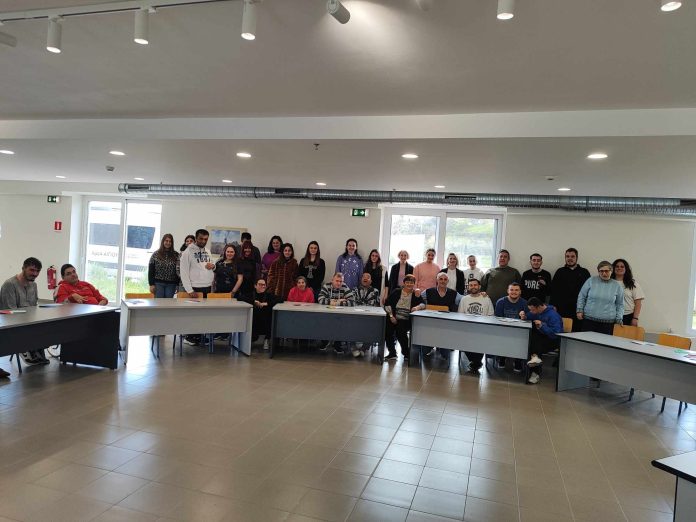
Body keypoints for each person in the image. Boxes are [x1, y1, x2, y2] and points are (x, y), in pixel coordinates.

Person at [0, 257, 48, 367]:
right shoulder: (10, 284)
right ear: (23, 268)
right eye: (32, 270)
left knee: (49, 328)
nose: (35, 274)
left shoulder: (33, 285)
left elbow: (33, 307)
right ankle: (26, 349)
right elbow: (9, 312)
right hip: (14, 324)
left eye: (37, 271)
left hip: (29, 321)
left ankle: (36, 350)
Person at [180, 228, 215, 345]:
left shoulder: (208, 251)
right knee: (194, 314)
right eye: (201, 238)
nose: (203, 241)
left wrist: (213, 266)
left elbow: (211, 266)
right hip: (195, 288)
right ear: (196, 238)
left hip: (207, 286)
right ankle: (190, 337)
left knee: (203, 314)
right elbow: (184, 272)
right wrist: (189, 290)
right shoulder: (187, 252)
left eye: (205, 239)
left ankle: (200, 337)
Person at [519, 297, 563, 385]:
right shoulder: (537, 311)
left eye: (533, 310)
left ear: (539, 307)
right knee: (531, 342)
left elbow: (556, 334)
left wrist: (542, 326)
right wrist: (524, 316)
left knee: (534, 347)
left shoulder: (553, 315)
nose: (532, 312)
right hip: (542, 337)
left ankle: (535, 373)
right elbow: (529, 316)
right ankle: (533, 364)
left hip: (553, 340)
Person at [576, 261, 624, 335]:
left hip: (607, 324)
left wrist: (619, 318)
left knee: (603, 342)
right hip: (589, 321)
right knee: (586, 341)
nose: (604, 273)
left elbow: (620, 304)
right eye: (601, 271)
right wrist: (579, 310)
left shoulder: (617, 285)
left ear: (611, 271)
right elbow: (582, 296)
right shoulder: (591, 280)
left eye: (606, 271)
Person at [458, 278, 494, 373]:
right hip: (467, 328)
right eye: (471, 285)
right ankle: (476, 362)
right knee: (463, 339)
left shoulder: (486, 298)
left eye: (475, 285)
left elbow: (491, 315)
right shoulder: (464, 299)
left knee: (481, 340)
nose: (473, 287)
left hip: (482, 328)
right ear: (468, 287)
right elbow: (460, 315)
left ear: (479, 286)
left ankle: (475, 362)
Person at [384, 274, 423, 361]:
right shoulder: (397, 291)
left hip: (406, 319)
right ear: (404, 283)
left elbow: (423, 304)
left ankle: (406, 353)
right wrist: (391, 316)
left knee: (400, 331)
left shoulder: (416, 294)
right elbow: (387, 304)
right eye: (407, 282)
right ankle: (392, 353)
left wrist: (417, 307)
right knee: (388, 331)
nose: (409, 284)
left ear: (414, 284)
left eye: (411, 282)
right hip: (393, 316)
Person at [550, 248, 591, 331]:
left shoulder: (584, 272)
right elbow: (554, 290)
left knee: (576, 332)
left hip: (578, 309)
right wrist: (552, 306)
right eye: (567, 256)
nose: (570, 258)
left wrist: (585, 308)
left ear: (577, 258)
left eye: (572, 256)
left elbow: (589, 292)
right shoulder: (560, 271)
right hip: (561, 309)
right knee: (561, 331)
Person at [419, 272, 459, 359]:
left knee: (445, 355)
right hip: (430, 324)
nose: (443, 281)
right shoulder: (428, 291)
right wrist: (416, 291)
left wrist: (480, 294)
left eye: (445, 279)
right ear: (437, 280)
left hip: (445, 325)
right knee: (424, 352)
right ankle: (431, 346)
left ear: (448, 281)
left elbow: (464, 299)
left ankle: (441, 347)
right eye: (441, 279)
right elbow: (419, 298)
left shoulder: (454, 293)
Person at [318, 273, 356, 353]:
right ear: (332, 280)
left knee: (341, 323)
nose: (339, 283)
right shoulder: (326, 286)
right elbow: (320, 300)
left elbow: (352, 302)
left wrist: (335, 302)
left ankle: (337, 344)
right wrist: (339, 301)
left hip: (340, 315)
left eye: (341, 281)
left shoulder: (344, 287)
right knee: (323, 321)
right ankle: (325, 341)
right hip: (327, 314)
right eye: (337, 281)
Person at [494, 283, 528, 371]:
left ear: (520, 292)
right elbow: (497, 319)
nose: (514, 292)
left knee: (523, 338)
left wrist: (524, 317)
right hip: (503, 329)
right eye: (511, 290)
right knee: (502, 336)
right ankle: (502, 358)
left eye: (516, 290)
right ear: (508, 291)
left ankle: (518, 360)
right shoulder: (501, 302)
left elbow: (527, 320)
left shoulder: (524, 303)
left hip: (519, 330)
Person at [240, 279, 281, 350]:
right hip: (254, 319)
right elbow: (240, 297)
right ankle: (251, 339)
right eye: (260, 284)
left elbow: (280, 299)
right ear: (255, 286)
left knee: (270, 319)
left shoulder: (268, 295)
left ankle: (266, 340)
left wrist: (267, 303)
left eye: (264, 285)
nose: (263, 286)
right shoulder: (251, 294)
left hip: (266, 319)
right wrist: (254, 301)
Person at [353, 272, 381, 357]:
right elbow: (353, 303)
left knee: (372, 328)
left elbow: (377, 305)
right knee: (349, 325)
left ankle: (364, 348)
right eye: (363, 277)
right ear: (361, 279)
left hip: (369, 316)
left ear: (371, 281)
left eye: (368, 277)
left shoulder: (375, 291)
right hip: (356, 315)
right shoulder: (355, 290)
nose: (365, 278)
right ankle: (354, 348)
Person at [611, 258, 645, 326]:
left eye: (622, 266)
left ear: (626, 269)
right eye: (617, 266)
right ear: (613, 269)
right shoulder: (609, 283)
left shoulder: (632, 283)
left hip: (628, 317)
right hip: (611, 316)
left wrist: (635, 318)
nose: (619, 268)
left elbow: (638, 303)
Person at [148, 233, 179, 298]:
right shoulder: (155, 254)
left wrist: (177, 284)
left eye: (170, 241)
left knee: (168, 303)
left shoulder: (176, 255)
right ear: (163, 241)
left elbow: (178, 271)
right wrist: (151, 284)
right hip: (158, 283)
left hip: (171, 284)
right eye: (166, 241)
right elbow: (151, 270)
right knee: (158, 302)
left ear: (172, 243)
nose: (168, 243)